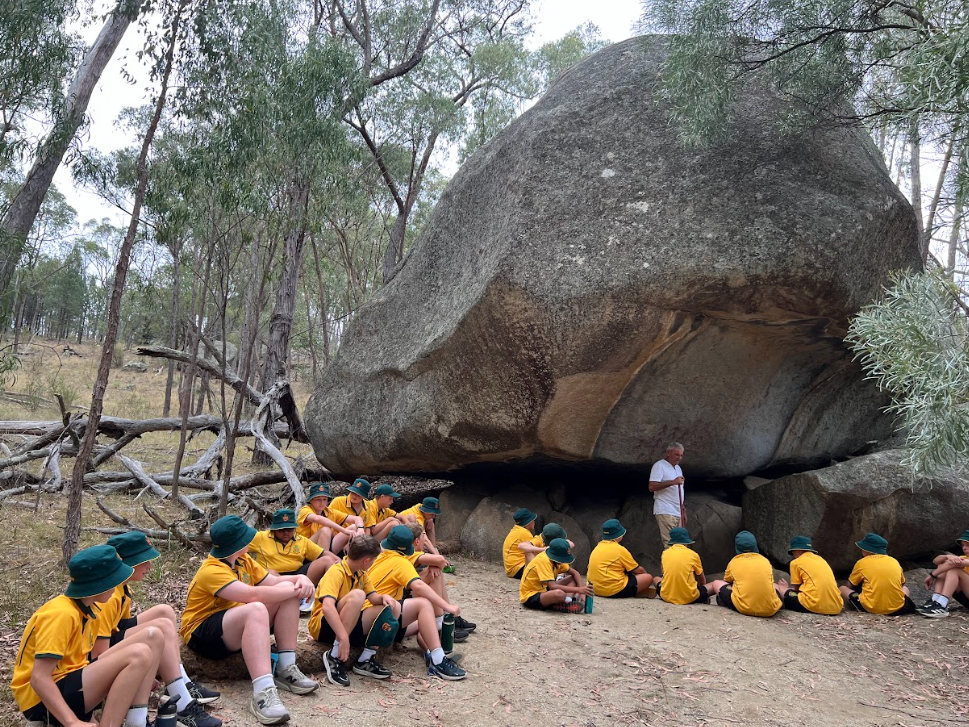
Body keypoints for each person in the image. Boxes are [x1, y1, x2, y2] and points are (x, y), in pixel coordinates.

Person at [180, 515, 319, 725]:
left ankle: (286, 667)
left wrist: (301, 579)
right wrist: (296, 589)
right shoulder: (211, 570)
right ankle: (263, 692)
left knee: (286, 594)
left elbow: (273, 581)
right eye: (246, 538)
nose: (250, 540)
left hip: (231, 625)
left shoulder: (243, 560)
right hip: (202, 633)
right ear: (237, 544)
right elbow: (252, 595)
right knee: (256, 608)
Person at [12, 545, 163, 727]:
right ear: (101, 582)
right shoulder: (61, 614)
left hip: (68, 683)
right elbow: (39, 678)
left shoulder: (87, 609)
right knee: (139, 654)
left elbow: (80, 665)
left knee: (142, 650)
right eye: (115, 580)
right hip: (38, 701)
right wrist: (72, 722)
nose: (117, 586)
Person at [94, 532, 221, 727]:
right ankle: (183, 703)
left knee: (164, 612)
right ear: (127, 563)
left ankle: (181, 684)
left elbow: (120, 628)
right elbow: (98, 654)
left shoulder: (122, 589)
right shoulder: (109, 597)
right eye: (144, 561)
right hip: (98, 660)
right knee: (159, 627)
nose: (149, 567)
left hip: (113, 643)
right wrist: (138, 668)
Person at [365, 525, 466, 680]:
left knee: (426, 625)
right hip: (381, 617)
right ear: (414, 543)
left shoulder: (381, 555)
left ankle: (432, 655)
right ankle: (439, 659)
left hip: (384, 615)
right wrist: (448, 607)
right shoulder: (401, 561)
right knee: (423, 604)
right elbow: (418, 585)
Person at [308, 535, 401, 686]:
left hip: (348, 623)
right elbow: (327, 606)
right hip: (324, 626)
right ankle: (334, 656)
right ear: (366, 560)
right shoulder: (336, 572)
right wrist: (343, 637)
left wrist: (384, 597)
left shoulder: (361, 574)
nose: (373, 563)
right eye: (373, 560)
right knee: (358, 595)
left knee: (392, 607)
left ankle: (366, 659)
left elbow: (373, 598)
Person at [249, 509, 340, 615]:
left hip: (300, 575)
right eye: (282, 530)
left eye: (290, 529)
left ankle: (326, 599)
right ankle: (291, 599)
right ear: (274, 529)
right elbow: (241, 547)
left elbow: (323, 553)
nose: (286, 533)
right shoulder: (260, 537)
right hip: (274, 577)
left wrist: (342, 564)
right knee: (269, 573)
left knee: (328, 561)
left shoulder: (301, 540)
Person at [402, 523, 476, 636]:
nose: (425, 542)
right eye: (424, 539)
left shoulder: (406, 550)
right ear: (417, 541)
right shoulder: (410, 553)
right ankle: (439, 624)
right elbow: (441, 560)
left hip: (406, 593)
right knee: (434, 574)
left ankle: (448, 616)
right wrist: (435, 563)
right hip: (403, 598)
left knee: (435, 572)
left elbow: (439, 563)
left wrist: (434, 565)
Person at [839, 532, 916, 616]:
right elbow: (902, 584)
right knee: (905, 588)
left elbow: (850, 585)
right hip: (898, 608)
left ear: (866, 550)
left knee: (843, 588)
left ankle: (864, 604)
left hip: (871, 607)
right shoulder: (894, 561)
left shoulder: (862, 563)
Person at [717, 531, 782, 617]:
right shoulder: (765, 561)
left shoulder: (734, 562)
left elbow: (727, 581)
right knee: (774, 585)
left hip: (745, 608)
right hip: (771, 609)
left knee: (716, 583)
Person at [654, 527, 726, 605]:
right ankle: (703, 597)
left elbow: (664, 574)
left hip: (666, 596)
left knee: (656, 578)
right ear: (686, 542)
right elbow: (701, 578)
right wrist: (704, 593)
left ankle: (663, 591)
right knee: (714, 584)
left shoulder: (665, 553)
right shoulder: (693, 555)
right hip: (690, 597)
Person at [587, 519, 656, 598]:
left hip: (593, 588)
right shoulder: (620, 550)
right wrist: (644, 575)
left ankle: (636, 589)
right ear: (619, 535)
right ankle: (637, 590)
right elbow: (638, 570)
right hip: (612, 590)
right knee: (648, 577)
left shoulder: (597, 547)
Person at [773, 535, 842, 615]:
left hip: (813, 605)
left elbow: (797, 589)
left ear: (798, 550)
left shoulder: (796, 563)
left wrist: (785, 588)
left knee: (776, 586)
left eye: (793, 552)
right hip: (836, 607)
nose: (793, 555)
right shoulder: (821, 560)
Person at [519, 538, 592, 612]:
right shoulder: (544, 560)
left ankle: (568, 601)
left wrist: (582, 592)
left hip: (545, 588)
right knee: (559, 594)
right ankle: (559, 604)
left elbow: (575, 573)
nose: (563, 561)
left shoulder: (556, 561)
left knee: (573, 578)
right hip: (531, 595)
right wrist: (579, 590)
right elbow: (553, 586)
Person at [296, 482, 359, 555]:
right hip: (305, 549)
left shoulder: (329, 512)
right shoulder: (305, 510)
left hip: (324, 547)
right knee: (326, 530)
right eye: (318, 499)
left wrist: (360, 530)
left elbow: (356, 519)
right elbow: (317, 519)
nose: (322, 502)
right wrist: (344, 530)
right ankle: (325, 561)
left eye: (324, 499)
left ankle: (352, 557)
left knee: (353, 527)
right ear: (311, 500)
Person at [918, 529, 969, 618]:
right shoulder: (963, 557)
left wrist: (932, 575)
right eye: (963, 545)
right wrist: (947, 556)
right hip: (965, 596)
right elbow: (936, 561)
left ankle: (942, 604)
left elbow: (952, 564)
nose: (964, 548)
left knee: (954, 569)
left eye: (968, 545)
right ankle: (936, 600)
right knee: (943, 565)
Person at [649, 442, 686, 549]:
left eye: (681, 455)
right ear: (668, 453)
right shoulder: (659, 466)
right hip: (665, 509)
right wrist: (672, 482)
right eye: (676, 455)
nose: (679, 458)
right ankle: (668, 566)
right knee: (670, 544)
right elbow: (652, 487)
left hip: (678, 510)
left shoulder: (678, 468)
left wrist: (683, 509)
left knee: (681, 543)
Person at [502, 508, 538, 578]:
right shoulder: (524, 533)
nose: (534, 521)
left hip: (512, 569)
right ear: (528, 522)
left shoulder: (516, 530)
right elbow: (534, 550)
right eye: (532, 520)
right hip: (518, 569)